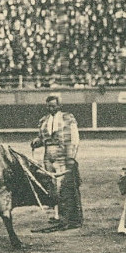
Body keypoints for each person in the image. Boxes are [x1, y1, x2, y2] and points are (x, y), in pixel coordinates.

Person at [30, 95, 83, 232]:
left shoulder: (68, 118)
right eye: (48, 106)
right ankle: (57, 215)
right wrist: (36, 142)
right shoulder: (43, 120)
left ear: (59, 106)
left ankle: (67, 216)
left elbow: (75, 138)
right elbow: (42, 138)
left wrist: (71, 157)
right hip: (48, 156)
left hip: (62, 155)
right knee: (52, 185)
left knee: (63, 186)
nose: (50, 108)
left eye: (53, 105)